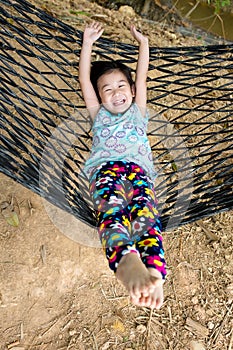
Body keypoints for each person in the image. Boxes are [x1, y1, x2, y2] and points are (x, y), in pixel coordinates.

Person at [79, 21, 167, 309]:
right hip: (106, 171)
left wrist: (143, 44)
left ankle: (153, 271)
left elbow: (141, 78)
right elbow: (84, 80)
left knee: (146, 216)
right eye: (106, 89)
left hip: (139, 173)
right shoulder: (99, 114)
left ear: (130, 90)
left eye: (120, 86)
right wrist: (87, 43)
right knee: (112, 208)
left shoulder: (138, 111)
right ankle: (127, 262)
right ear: (99, 96)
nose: (115, 93)